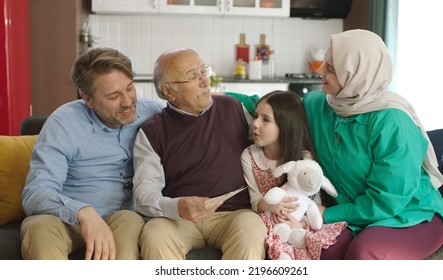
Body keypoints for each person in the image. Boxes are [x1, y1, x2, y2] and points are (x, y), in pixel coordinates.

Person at [303, 29, 443, 259]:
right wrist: (232, 101)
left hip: (411, 215)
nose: (320, 71)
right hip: (358, 215)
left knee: (364, 252)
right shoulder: (319, 105)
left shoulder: (393, 122)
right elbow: (276, 110)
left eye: (331, 69)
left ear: (357, 75)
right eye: (325, 64)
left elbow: (388, 201)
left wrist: (327, 214)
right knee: (320, 248)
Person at [21, 47, 164, 260]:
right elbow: (35, 193)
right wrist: (83, 212)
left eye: (130, 88)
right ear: (87, 99)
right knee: (38, 227)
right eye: (114, 96)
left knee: (129, 220)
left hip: (124, 219)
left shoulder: (154, 113)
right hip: (69, 221)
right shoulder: (63, 124)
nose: (127, 101)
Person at [132, 48, 267, 260]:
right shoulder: (151, 132)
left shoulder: (234, 108)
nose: (206, 82)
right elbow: (143, 197)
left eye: (204, 71)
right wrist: (177, 206)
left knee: (251, 230)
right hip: (179, 220)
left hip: (234, 215)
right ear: (168, 91)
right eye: (193, 77)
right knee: (155, 234)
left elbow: (274, 137)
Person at [241, 90, 347, 260]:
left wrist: (301, 224)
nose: (255, 124)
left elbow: (313, 202)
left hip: (299, 221)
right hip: (267, 220)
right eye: (256, 116)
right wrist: (270, 206)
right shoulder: (249, 156)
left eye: (266, 120)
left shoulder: (303, 158)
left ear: (285, 126)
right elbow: (254, 199)